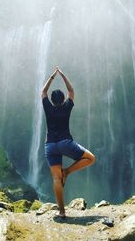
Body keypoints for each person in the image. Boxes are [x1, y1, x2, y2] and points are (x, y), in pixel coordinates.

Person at [41, 67, 96, 218]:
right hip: (65, 143)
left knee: (55, 179)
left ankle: (62, 212)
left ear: (52, 100)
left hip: (50, 146)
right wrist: (63, 75)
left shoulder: (47, 107)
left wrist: (52, 77)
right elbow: (71, 91)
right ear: (63, 99)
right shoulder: (67, 107)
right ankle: (68, 171)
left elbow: (43, 91)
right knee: (91, 158)